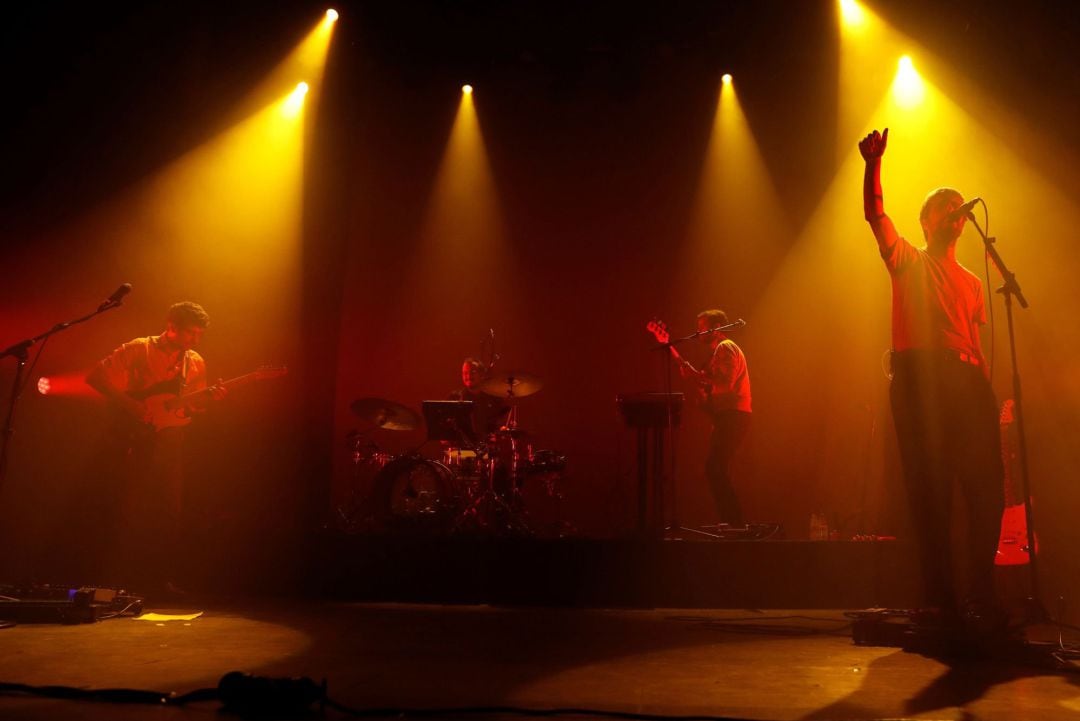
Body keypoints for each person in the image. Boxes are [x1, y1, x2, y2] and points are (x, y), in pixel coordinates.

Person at [859, 128, 1005, 631]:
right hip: (922, 379)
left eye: (961, 204)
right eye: (947, 204)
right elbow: (876, 216)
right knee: (930, 491)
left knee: (987, 487)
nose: (958, 210)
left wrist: (990, 397)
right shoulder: (908, 261)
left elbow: (976, 345)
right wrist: (873, 165)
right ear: (927, 221)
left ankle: (980, 596)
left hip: (966, 383)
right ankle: (941, 600)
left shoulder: (971, 281)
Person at [85, 301, 225, 593]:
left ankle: (160, 579)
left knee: (169, 511)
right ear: (171, 327)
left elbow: (190, 408)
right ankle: (117, 579)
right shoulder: (139, 348)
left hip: (171, 443)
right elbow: (95, 377)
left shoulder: (196, 361)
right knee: (129, 506)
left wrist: (208, 401)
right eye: (190, 333)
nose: (195, 340)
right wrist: (131, 405)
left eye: (199, 334)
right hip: (134, 437)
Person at [667, 309, 752, 525]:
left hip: (734, 415)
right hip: (728, 416)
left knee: (714, 468)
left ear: (715, 329)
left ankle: (735, 523)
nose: (698, 333)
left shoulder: (726, 347)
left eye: (702, 328)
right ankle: (732, 523)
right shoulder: (718, 353)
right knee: (715, 469)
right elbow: (713, 386)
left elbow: (725, 385)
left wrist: (699, 377)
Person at [448, 357, 510, 441]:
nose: (468, 376)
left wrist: (502, 430)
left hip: (489, 447)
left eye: (472, 372)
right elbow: (446, 423)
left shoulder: (494, 398)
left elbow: (502, 421)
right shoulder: (455, 397)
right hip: (462, 448)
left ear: (482, 375)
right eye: (465, 373)